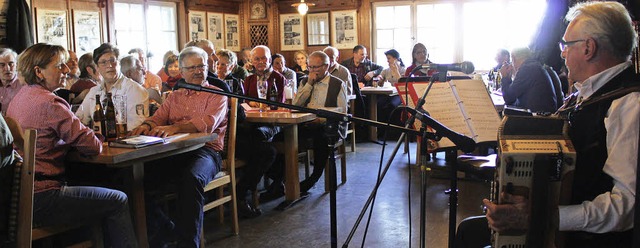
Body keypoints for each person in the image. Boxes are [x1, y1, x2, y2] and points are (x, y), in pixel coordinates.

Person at [456, 2, 639, 248]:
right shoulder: (585, 95)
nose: (562, 53)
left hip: (585, 239)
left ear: (588, 47)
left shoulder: (629, 105)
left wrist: (545, 216)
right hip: (561, 228)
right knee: (469, 231)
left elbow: (627, 206)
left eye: (566, 45)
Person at [7, 43, 137, 247]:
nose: (66, 70)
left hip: (17, 195)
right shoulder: (51, 103)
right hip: (44, 196)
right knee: (118, 199)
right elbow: (93, 146)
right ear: (38, 72)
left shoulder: (19, 98)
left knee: (96, 183)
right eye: (59, 66)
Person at [130, 46, 228, 247]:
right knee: (137, 180)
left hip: (207, 152)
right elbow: (158, 117)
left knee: (191, 179)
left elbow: (207, 123)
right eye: (191, 68)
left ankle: (188, 243)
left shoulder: (217, 94)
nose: (197, 71)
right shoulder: (174, 96)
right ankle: (166, 228)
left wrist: (176, 128)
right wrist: (145, 126)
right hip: (175, 152)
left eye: (201, 66)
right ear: (181, 72)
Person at [294, 51, 347, 194]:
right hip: (306, 123)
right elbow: (296, 104)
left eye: (316, 67)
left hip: (329, 126)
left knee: (321, 138)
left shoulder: (337, 84)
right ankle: (284, 181)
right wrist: (309, 84)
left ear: (326, 66)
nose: (312, 71)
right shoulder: (305, 81)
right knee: (285, 136)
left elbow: (341, 111)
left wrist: (322, 119)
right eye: (310, 67)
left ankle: (313, 178)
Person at [75, 43, 149, 130]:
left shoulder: (134, 90)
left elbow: (137, 126)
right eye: (103, 62)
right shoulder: (94, 91)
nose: (109, 66)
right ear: (97, 67)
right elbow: (79, 119)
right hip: (99, 141)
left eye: (112, 60)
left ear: (119, 63)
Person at [500, 47, 558, 113]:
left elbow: (508, 98)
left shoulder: (526, 69)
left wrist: (505, 77)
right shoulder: (534, 66)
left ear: (513, 58)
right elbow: (512, 97)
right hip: (541, 115)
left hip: (536, 119)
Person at [0, 48, 24, 115]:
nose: (7, 68)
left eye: (11, 64)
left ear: (16, 65)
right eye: (2, 65)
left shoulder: (24, 85)